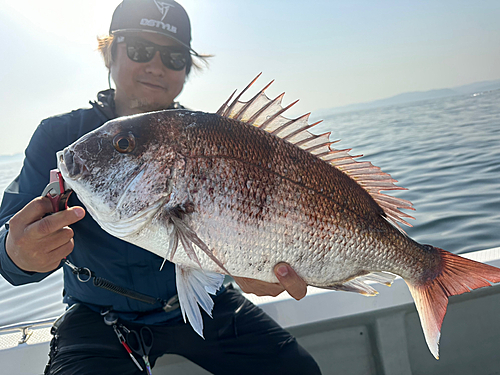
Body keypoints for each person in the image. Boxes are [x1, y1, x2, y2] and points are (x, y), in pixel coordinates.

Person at [0, 1, 322, 374]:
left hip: (208, 301)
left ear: (186, 68)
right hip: (99, 316)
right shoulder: (63, 138)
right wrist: (18, 253)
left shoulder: (215, 143)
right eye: (139, 49)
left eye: (173, 56)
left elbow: (236, 232)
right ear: (110, 54)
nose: (156, 65)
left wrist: (259, 266)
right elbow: (8, 246)